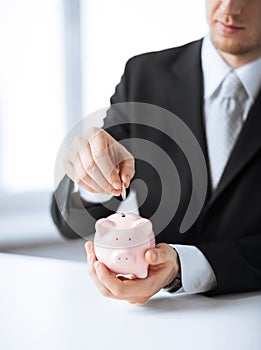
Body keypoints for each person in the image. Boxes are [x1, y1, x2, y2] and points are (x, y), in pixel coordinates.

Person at [51, 0, 261, 304]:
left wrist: (183, 266)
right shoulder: (144, 75)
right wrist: (91, 176)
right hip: (156, 322)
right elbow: (66, 220)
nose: (229, 9)